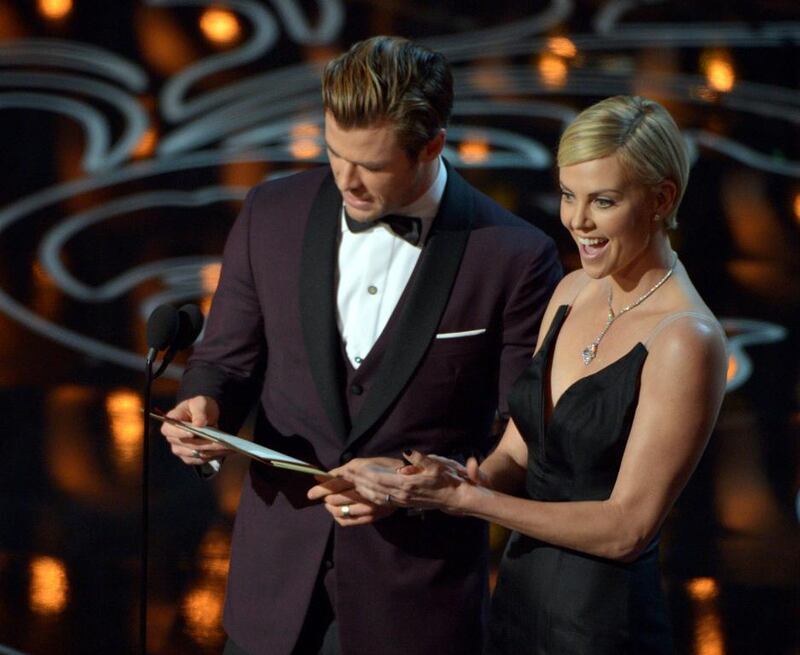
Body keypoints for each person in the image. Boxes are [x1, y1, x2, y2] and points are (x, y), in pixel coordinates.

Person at [160, 36, 561, 655]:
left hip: (417, 603)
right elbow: (223, 360)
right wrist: (203, 407)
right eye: (333, 153)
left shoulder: (512, 255)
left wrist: (421, 484)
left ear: (432, 147)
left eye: (370, 166)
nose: (346, 180)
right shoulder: (272, 212)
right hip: (272, 594)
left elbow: (524, 433)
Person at [330, 95, 728, 654]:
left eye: (604, 201)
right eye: (569, 195)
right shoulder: (569, 293)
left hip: (604, 629)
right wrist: (427, 484)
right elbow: (517, 457)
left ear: (662, 198)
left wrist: (467, 503)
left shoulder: (687, 339)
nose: (578, 220)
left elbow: (627, 529)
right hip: (518, 607)